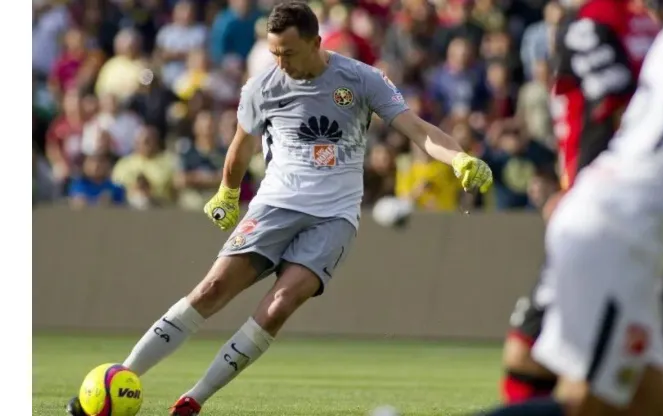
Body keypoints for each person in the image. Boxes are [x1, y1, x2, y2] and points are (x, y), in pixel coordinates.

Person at [65, 2, 493, 415]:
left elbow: (418, 129)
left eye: (287, 52)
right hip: (275, 205)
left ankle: (195, 398)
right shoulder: (261, 87)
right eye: (273, 52)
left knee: (280, 304)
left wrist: (458, 158)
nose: (280, 62)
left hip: (334, 217)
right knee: (211, 290)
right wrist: (228, 193)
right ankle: (116, 380)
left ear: (315, 42)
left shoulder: (362, 79)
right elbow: (240, 147)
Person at [481, 0, 663, 414]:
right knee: (587, 402)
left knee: (646, 402)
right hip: (621, 230)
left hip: (627, 224)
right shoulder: (609, 23)